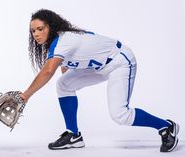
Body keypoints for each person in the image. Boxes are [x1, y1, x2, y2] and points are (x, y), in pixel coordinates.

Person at [19, 9, 179, 152]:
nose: (36, 34)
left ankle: (166, 126)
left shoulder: (63, 40)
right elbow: (86, 42)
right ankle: (73, 135)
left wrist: (25, 95)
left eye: (40, 29)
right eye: (33, 31)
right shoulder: (58, 42)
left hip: (119, 62)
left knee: (120, 115)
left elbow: (47, 72)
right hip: (98, 66)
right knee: (64, 84)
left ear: (51, 27)